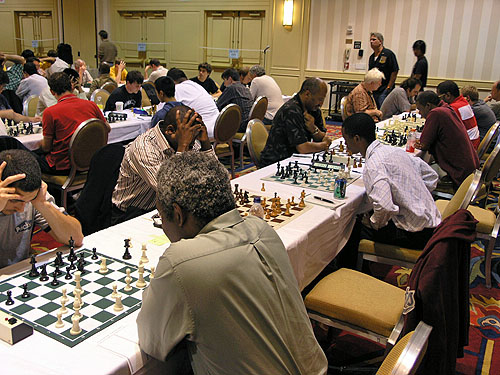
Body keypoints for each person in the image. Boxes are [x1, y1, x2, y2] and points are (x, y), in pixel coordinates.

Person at [136, 151, 327, 375]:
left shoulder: (180, 261)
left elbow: (151, 340)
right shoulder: (263, 229)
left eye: (161, 217)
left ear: (177, 215)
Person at [336, 113, 441, 269]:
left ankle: (349, 272)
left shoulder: (374, 165)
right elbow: (432, 176)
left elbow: (384, 207)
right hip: (431, 223)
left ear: (357, 139)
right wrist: (411, 195)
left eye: (346, 140)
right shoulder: (394, 151)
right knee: (366, 213)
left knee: (351, 226)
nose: (345, 144)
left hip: (415, 234)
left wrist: (373, 224)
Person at [112, 105, 215, 224]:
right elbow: (171, 190)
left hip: (167, 208)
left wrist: (205, 143)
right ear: (170, 131)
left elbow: (214, 179)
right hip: (131, 214)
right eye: (191, 138)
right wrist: (182, 147)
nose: (193, 143)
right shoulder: (144, 148)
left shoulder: (188, 138)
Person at [0, 149, 83, 269]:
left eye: (27, 201)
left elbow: (76, 239)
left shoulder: (35, 196)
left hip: (18, 272)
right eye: (14, 200)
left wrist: (42, 204)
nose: (21, 209)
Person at [38, 72, 109, 174]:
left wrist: (39, 143)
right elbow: (107, 128)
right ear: (72, 87)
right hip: (91, 163)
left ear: (52, 92)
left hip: (64, 166)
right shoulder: (91, 105)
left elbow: (46, 147)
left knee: (27, 157)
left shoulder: (50, 112)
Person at [259, 77, 331, 167]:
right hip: (277, 162)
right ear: (307, 94)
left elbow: (322, 137)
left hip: (297, 159)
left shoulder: (314, 109)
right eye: (320, 99)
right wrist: (324, 145)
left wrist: (313, 129)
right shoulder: (291, 110)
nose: (321, 104)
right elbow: (303, 148)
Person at [415, 91, 479, 189]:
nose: (419, 113)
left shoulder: (436, 113)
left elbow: (424, 144)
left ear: (428, 105)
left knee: (415, 172)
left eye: (419, 109)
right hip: (469, 166)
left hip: (458, 171)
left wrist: (420, 143)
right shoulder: (447, 108)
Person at [167, 68, 219, 138]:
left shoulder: (177, 88)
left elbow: (166, 109)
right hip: (219, 127)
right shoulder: (196, 85)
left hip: (204, 132)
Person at [437, 80, 480, 149]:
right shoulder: (463, 101)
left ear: (448, 95)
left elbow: (445, 131)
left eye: (440, 97)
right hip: (473, 144)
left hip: (467, 148)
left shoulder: (453, 109)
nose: (440, 100)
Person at [216, 68, 254, 132]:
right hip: (249, 123)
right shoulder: (244, 88)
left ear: (230, 79)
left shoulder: (232, 88)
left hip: (240, 125)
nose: (224, 84)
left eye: (225, 80)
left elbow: (218, 105)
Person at [368, 32, 399, 108]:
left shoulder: (388, 54)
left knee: (384, 109)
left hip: (384, 89)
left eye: (374, 39)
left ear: (380, 41)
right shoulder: (372, 57)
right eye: (370, 40)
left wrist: (389, 87)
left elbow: (394, 71)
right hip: (374, 89)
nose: (371, 42)